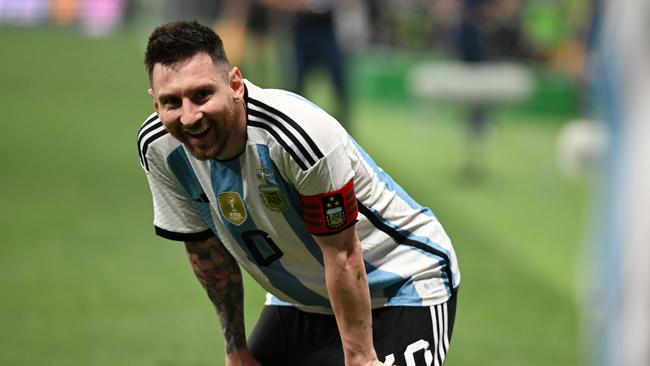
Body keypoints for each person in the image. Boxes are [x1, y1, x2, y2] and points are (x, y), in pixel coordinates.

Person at [137, 20, 460, 366]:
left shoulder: (296, 135)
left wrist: (361, 356)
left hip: (401, 282)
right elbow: (206, 252)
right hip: (301, 297)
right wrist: (236, 349)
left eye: (202, 95)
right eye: (172, 102)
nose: (189, 117)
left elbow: (343, 253)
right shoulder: (159, 148)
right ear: (156, 104)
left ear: (234, 84)